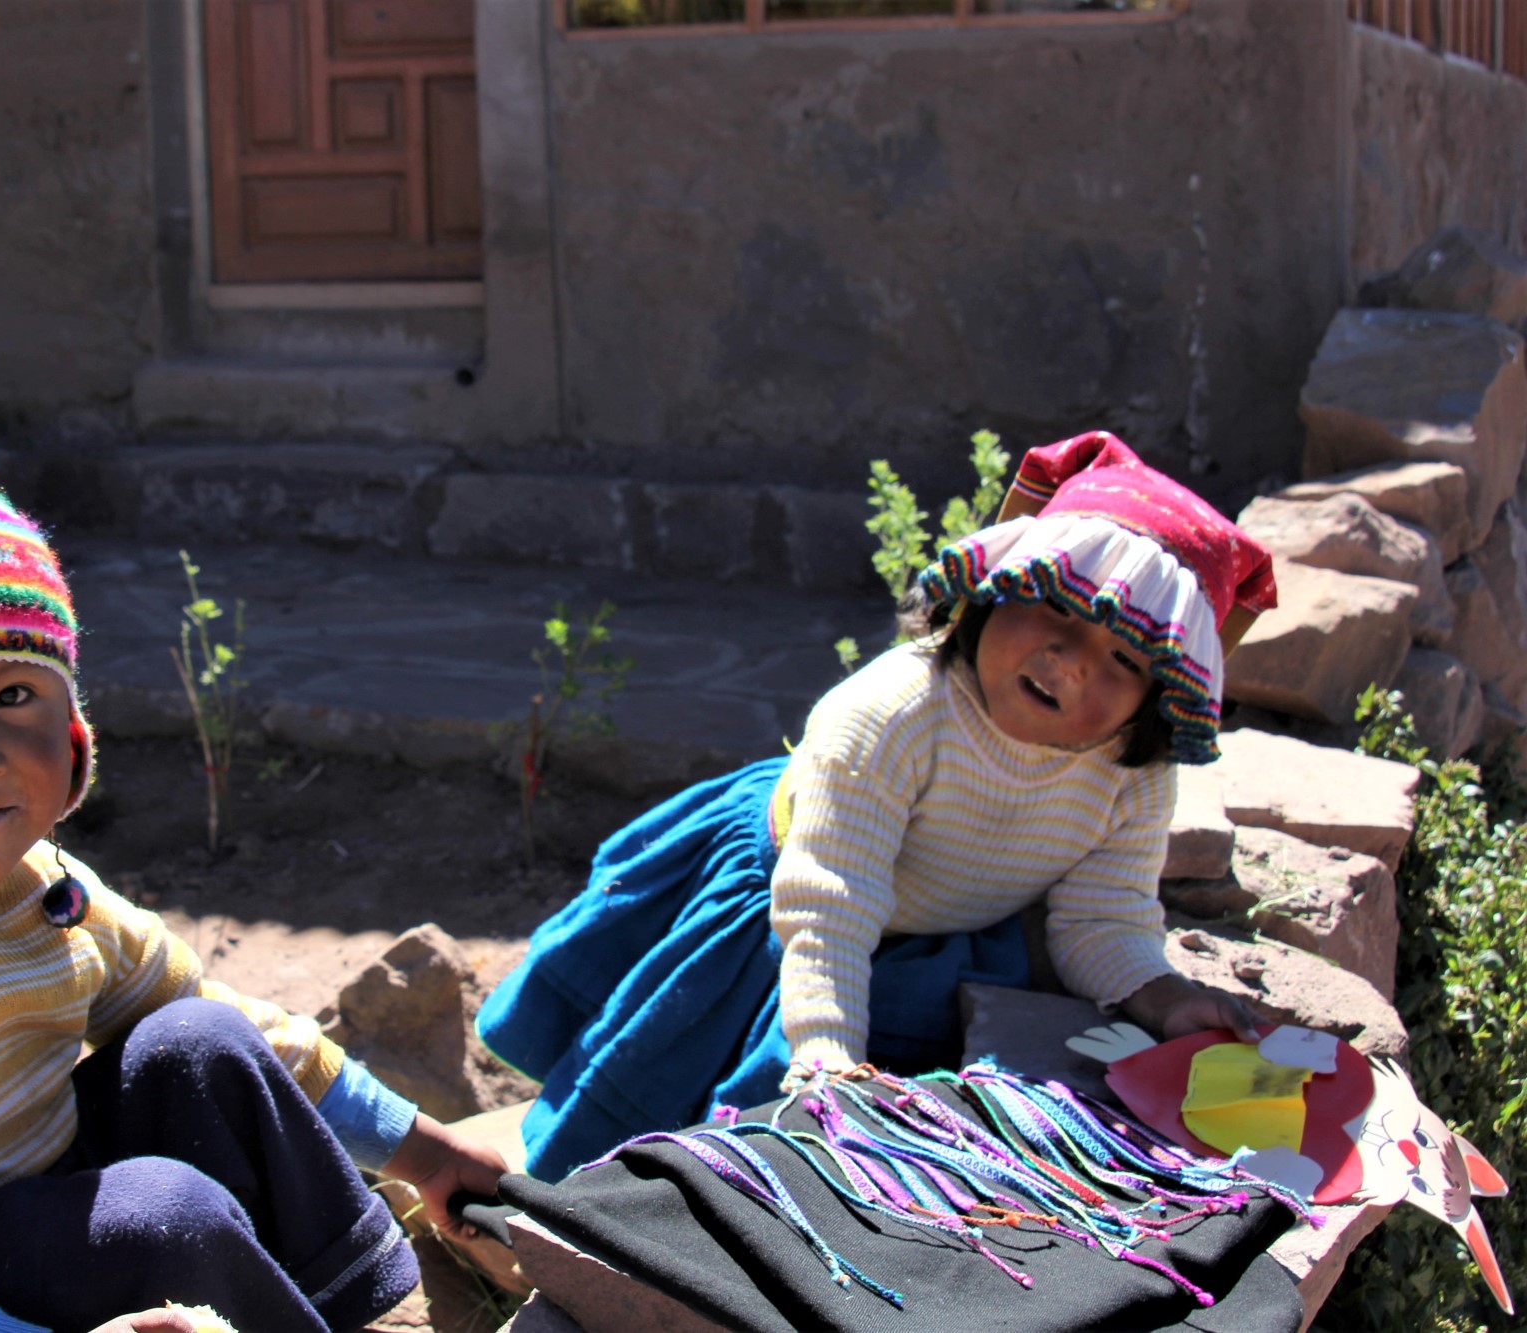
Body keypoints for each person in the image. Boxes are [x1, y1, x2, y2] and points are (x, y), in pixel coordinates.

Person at [0, 376, 506, 1333]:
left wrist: (424, 1151)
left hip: (39, 1220)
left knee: (203, 1047)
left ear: (69, 724)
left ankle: (354, 1312)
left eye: (14, 697)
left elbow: (200, 1008)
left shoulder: (41, 889)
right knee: (159, 1216)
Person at [477, 431, 1279, 1180]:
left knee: (909, 1125)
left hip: (938, 923)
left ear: (1161, 692)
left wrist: (1163, 995)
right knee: (683, 1070)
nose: (1068, 664)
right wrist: (827, 1058)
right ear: (993, 591)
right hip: (796, 896)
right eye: (1053, 610)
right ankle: (570, 1215)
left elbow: (1102, 915)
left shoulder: (1131, 773)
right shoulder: (897, 713)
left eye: (1121, 658)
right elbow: (832, 906)